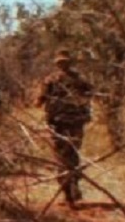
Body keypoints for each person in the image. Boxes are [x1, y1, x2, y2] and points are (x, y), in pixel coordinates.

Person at [36, 49, 94, 207]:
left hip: (58, 123)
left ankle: (69, 192)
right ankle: (73, 190)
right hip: (75, 123)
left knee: (61, 157)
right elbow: (90, 94)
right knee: (73, 154)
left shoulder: (51, 80)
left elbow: (39, 101)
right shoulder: (80, 79)